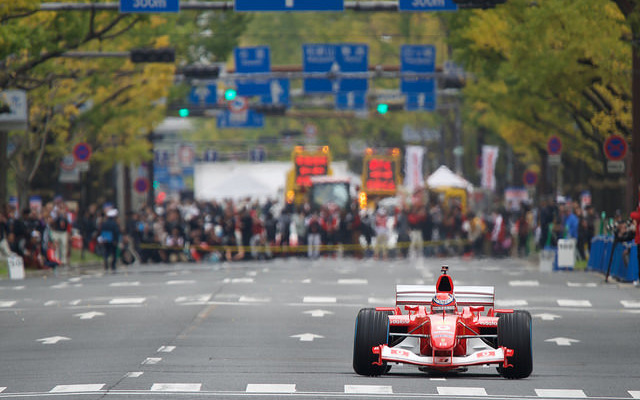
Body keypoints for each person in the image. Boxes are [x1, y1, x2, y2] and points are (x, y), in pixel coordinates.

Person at [99, 208, 121, 272]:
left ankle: (106, 263)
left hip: (106, 239)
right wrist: (116, 240)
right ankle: (113, 265)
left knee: (106, 252)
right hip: (113, 240)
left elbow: (101, 231)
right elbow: (116, 232)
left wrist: (102, 239)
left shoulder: (104, 223)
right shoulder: (114, 224)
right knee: (114, 253)